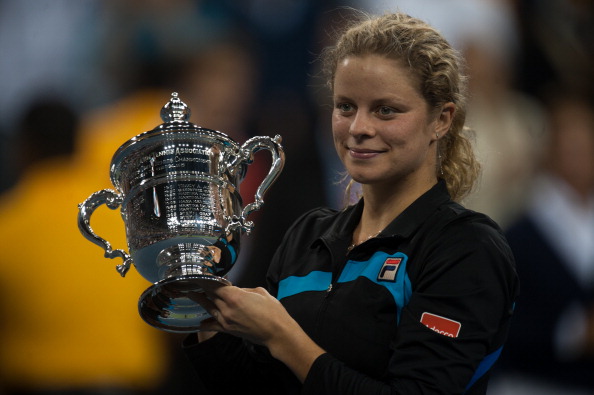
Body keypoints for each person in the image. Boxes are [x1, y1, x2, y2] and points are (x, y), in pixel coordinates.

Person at [182, 11, 519, 395]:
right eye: (345, 107)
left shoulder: (465, 247)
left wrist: (282, 336)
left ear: (441, 119)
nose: (358, 128)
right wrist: (208, 306)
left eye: (385, 110)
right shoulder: (307, 235)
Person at [490, 91, 594, 395]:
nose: (579, 150)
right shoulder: (517, 235)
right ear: (547, 150)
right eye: (568, 140)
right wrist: (573, 333)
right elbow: (502, 323)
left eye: (586, 138)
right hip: (533, 383)